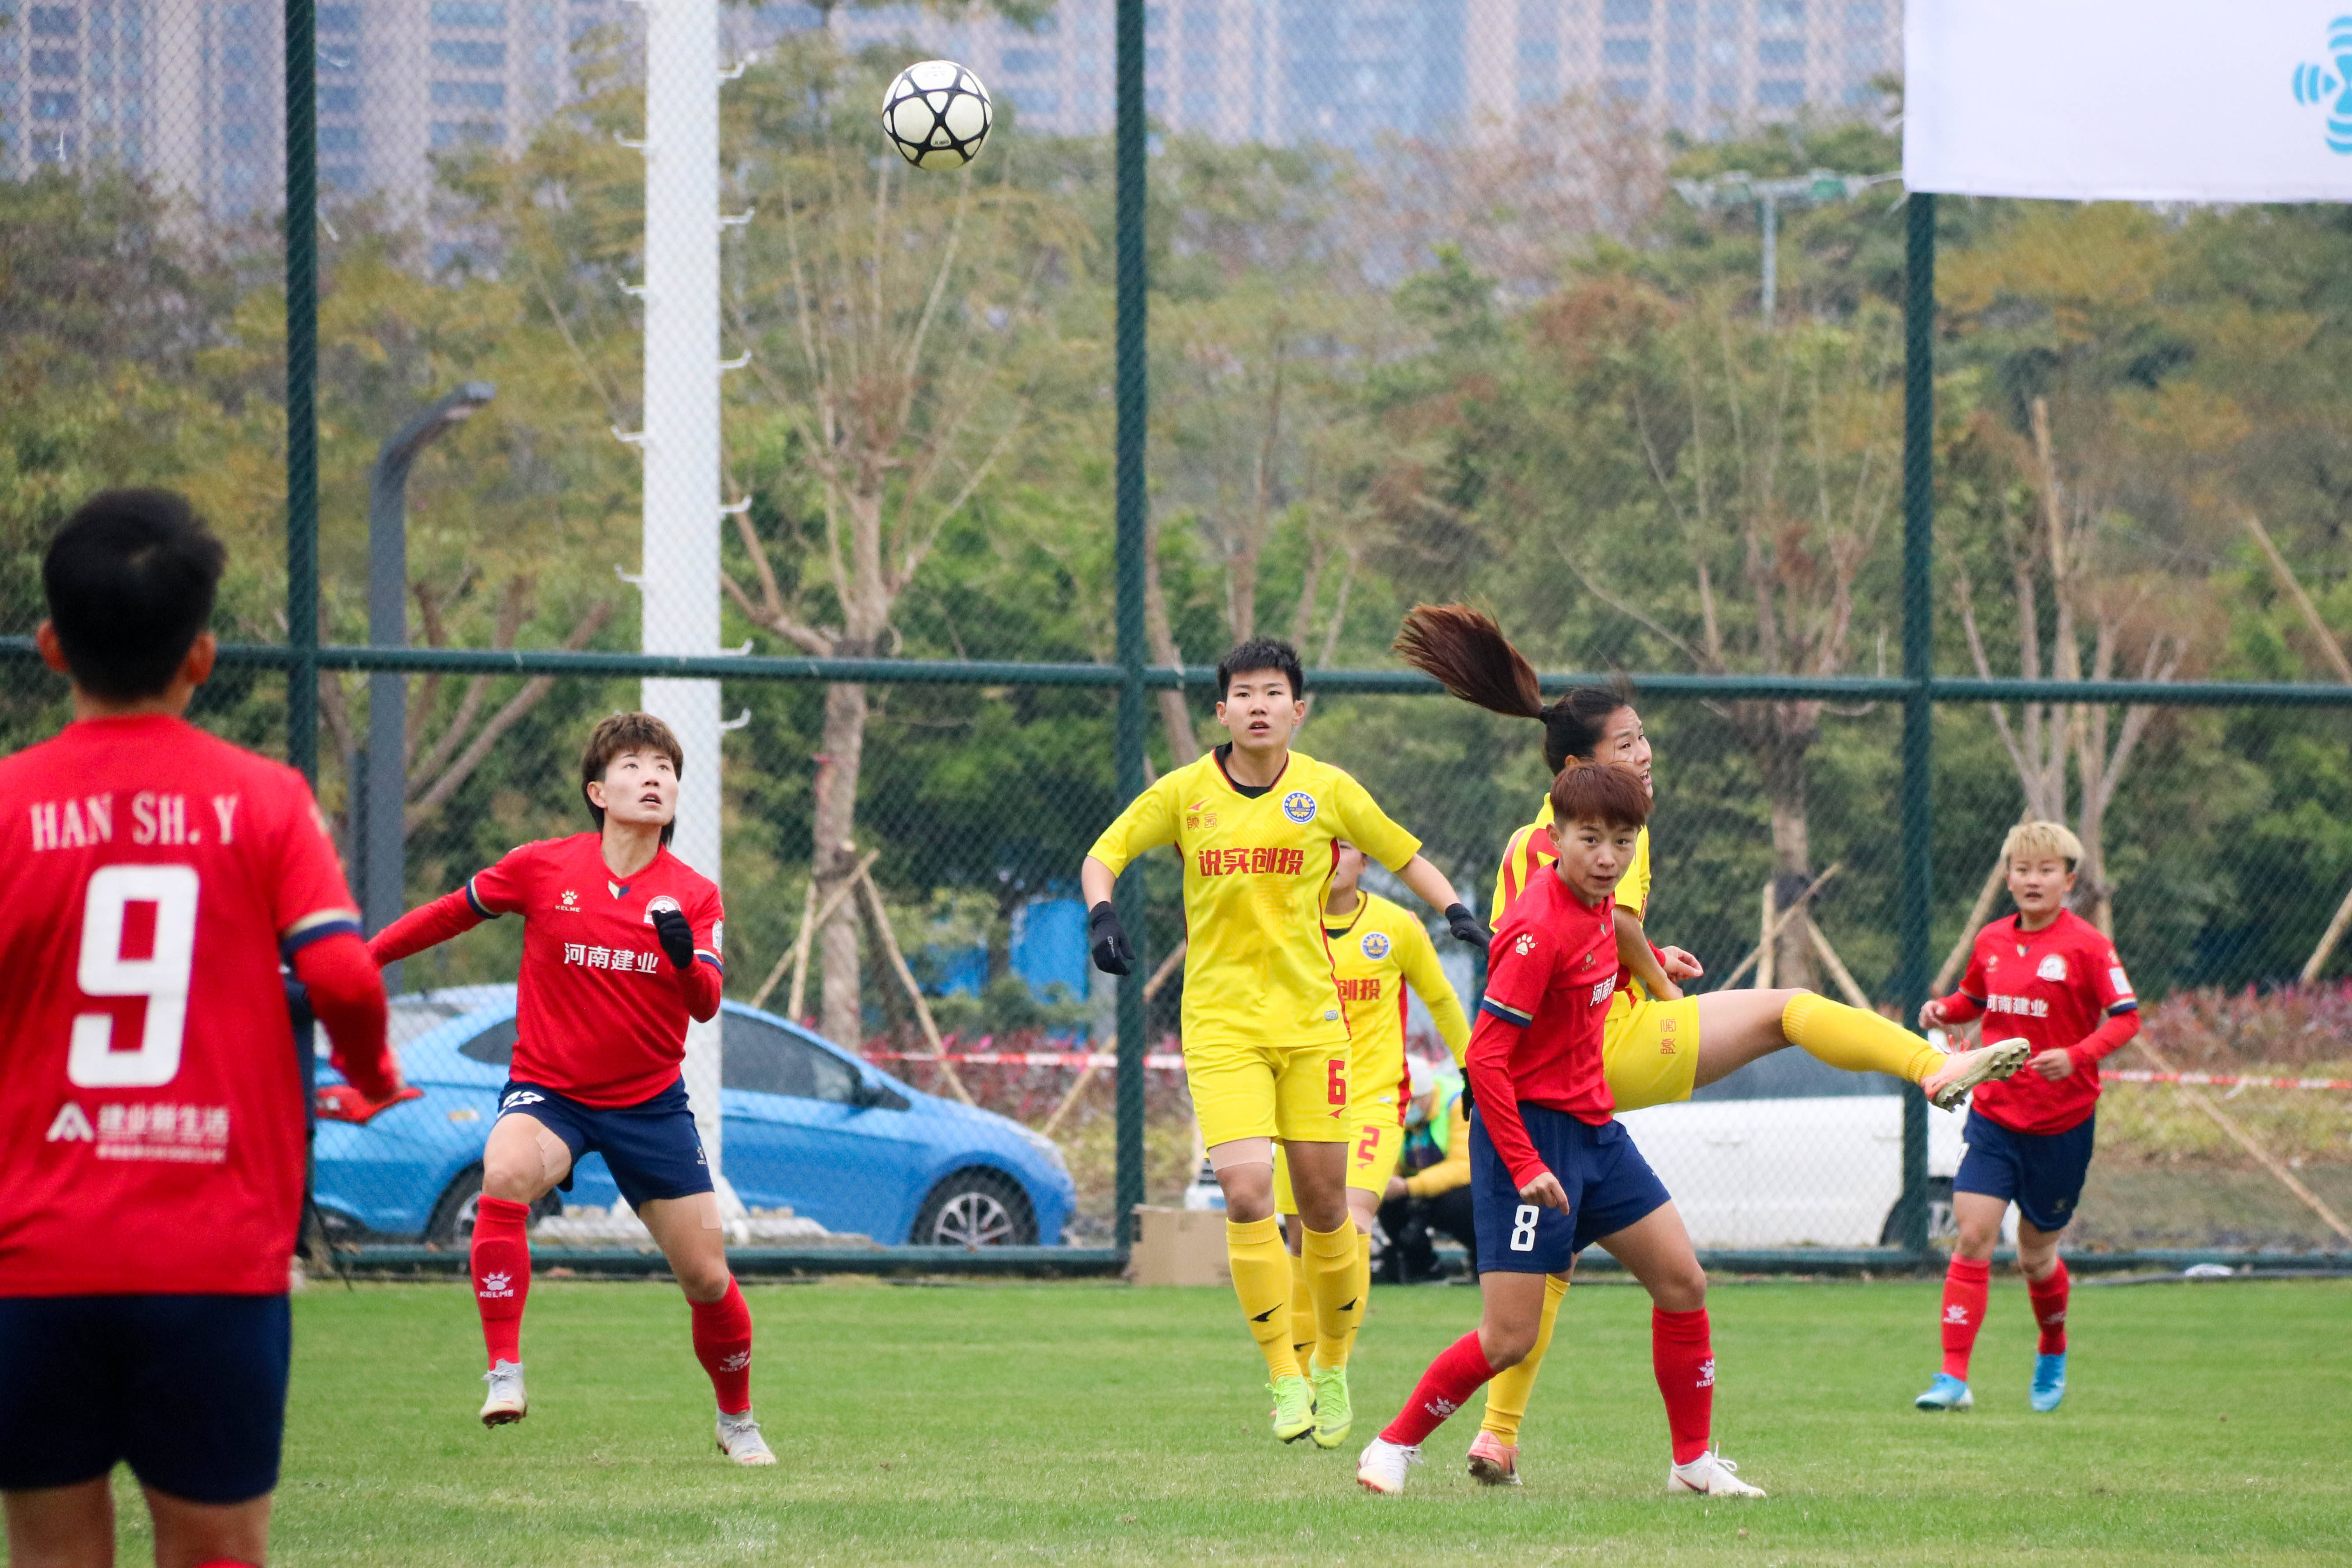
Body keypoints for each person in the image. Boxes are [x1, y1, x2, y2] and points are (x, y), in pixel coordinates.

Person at [1393, 602, 2029, 1483]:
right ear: (1578, 770)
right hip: (1594, 1049)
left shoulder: (1528, 835)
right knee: (1787, 1010)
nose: (1642, 755)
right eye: (1624, 746)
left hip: (1562, 1063)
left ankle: (1497, 1433)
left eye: (1643, 737)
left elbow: (1575, 938)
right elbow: (1606, 920)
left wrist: (1646, 962)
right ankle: (1934, 1065)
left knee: (1552, 1259)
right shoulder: (1615, 827)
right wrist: (1653, 982)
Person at [0, 489, 407, 1568]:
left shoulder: (6, 805)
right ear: (203, 656)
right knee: (217, 1551)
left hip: (32, 1257)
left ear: (50, 647)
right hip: (212, 1254)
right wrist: (368, 1075)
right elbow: (342, 977)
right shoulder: (265, 801)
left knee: (51, 1557)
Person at [1083, 637, 1489, 1448]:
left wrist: (1454, 916)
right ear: (1222, 708)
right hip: (1222, 1026)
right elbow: (1104, 852)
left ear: (1297, 710)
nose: (1258, 703)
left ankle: (1333, 1363)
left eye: (1274, 692)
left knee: (1326, 1207)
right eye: (1243, 692)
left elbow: (1403, 851)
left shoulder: (1327, 790)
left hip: (1311, 1029)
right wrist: (1101, 913)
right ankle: (1283, 1373)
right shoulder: (1184, 792)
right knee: (1243, 1195)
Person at [367, 712, 774, 1465]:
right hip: (551, 1091)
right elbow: (448, 913)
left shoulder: (694, 892)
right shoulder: (542, 866)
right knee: (507, 1170)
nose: (652, 777)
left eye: (665, 768)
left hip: (650, 1104)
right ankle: (505, 1371)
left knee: (708, 1278)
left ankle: (737, 1419)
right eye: (634, 765)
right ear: (598, 788)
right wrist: (365, 958)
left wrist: (684, 957)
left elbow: (707, 1000)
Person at [1356, 761, 1764, 1499]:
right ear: (1554, 838)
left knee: (1681, 1282)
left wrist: (1651, 966)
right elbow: (1484, 1056)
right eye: (1589, 839)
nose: (1607, 856)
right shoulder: (1533, 929)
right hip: (1529, 1139)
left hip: (1594, 1133)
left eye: (1622, 839)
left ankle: (1692, 1463)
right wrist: (1520, 1163)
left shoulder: (1599, 908)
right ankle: (1393, 1443)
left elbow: (1586, 987)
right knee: (1506, 1336)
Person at [1913, 820, 2139, 1415]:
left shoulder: (2088, 945)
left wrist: (2079, 1054)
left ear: (2069, 879)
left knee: (2035, 1256)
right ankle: (1952, 1376)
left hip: (2061, 1127)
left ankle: (2052, 1345)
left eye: (2046, 870)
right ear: (2008, 877)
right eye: (2022, 869)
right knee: (1973, 1234)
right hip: (1994, 1116)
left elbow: (2125, 1017)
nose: (2032, 880)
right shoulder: (1990, 939)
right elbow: (1973, 1001)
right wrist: (1942, 1009)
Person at [1266, 838, 1473, 1443]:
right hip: (1301, 1099)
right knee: (1303, 1233)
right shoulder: (1282, 922)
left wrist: (1472, 1068)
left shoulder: (1396, 926)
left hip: (1372, 1101)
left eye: (1347, 845)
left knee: (1351, 1221)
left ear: (1365, 860)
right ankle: (1298, 1381)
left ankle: (1333, 1367)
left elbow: (1439, 996)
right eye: (1322, 845)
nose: (1334, 856)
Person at [1376, 1056, 1477, 1284]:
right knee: (1387, 1203)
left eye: (1415, 1102)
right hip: (1416, 1188)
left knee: (1462, 1205)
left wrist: (1409, 1187)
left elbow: (1464, 1167)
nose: (1409, 1109)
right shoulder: (1393, 1109)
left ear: (1428, 1094)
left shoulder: (1459, 1103)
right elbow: (1389, 1159)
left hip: (1455, 1191)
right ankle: (1423, 1267)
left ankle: (1481, 1260)